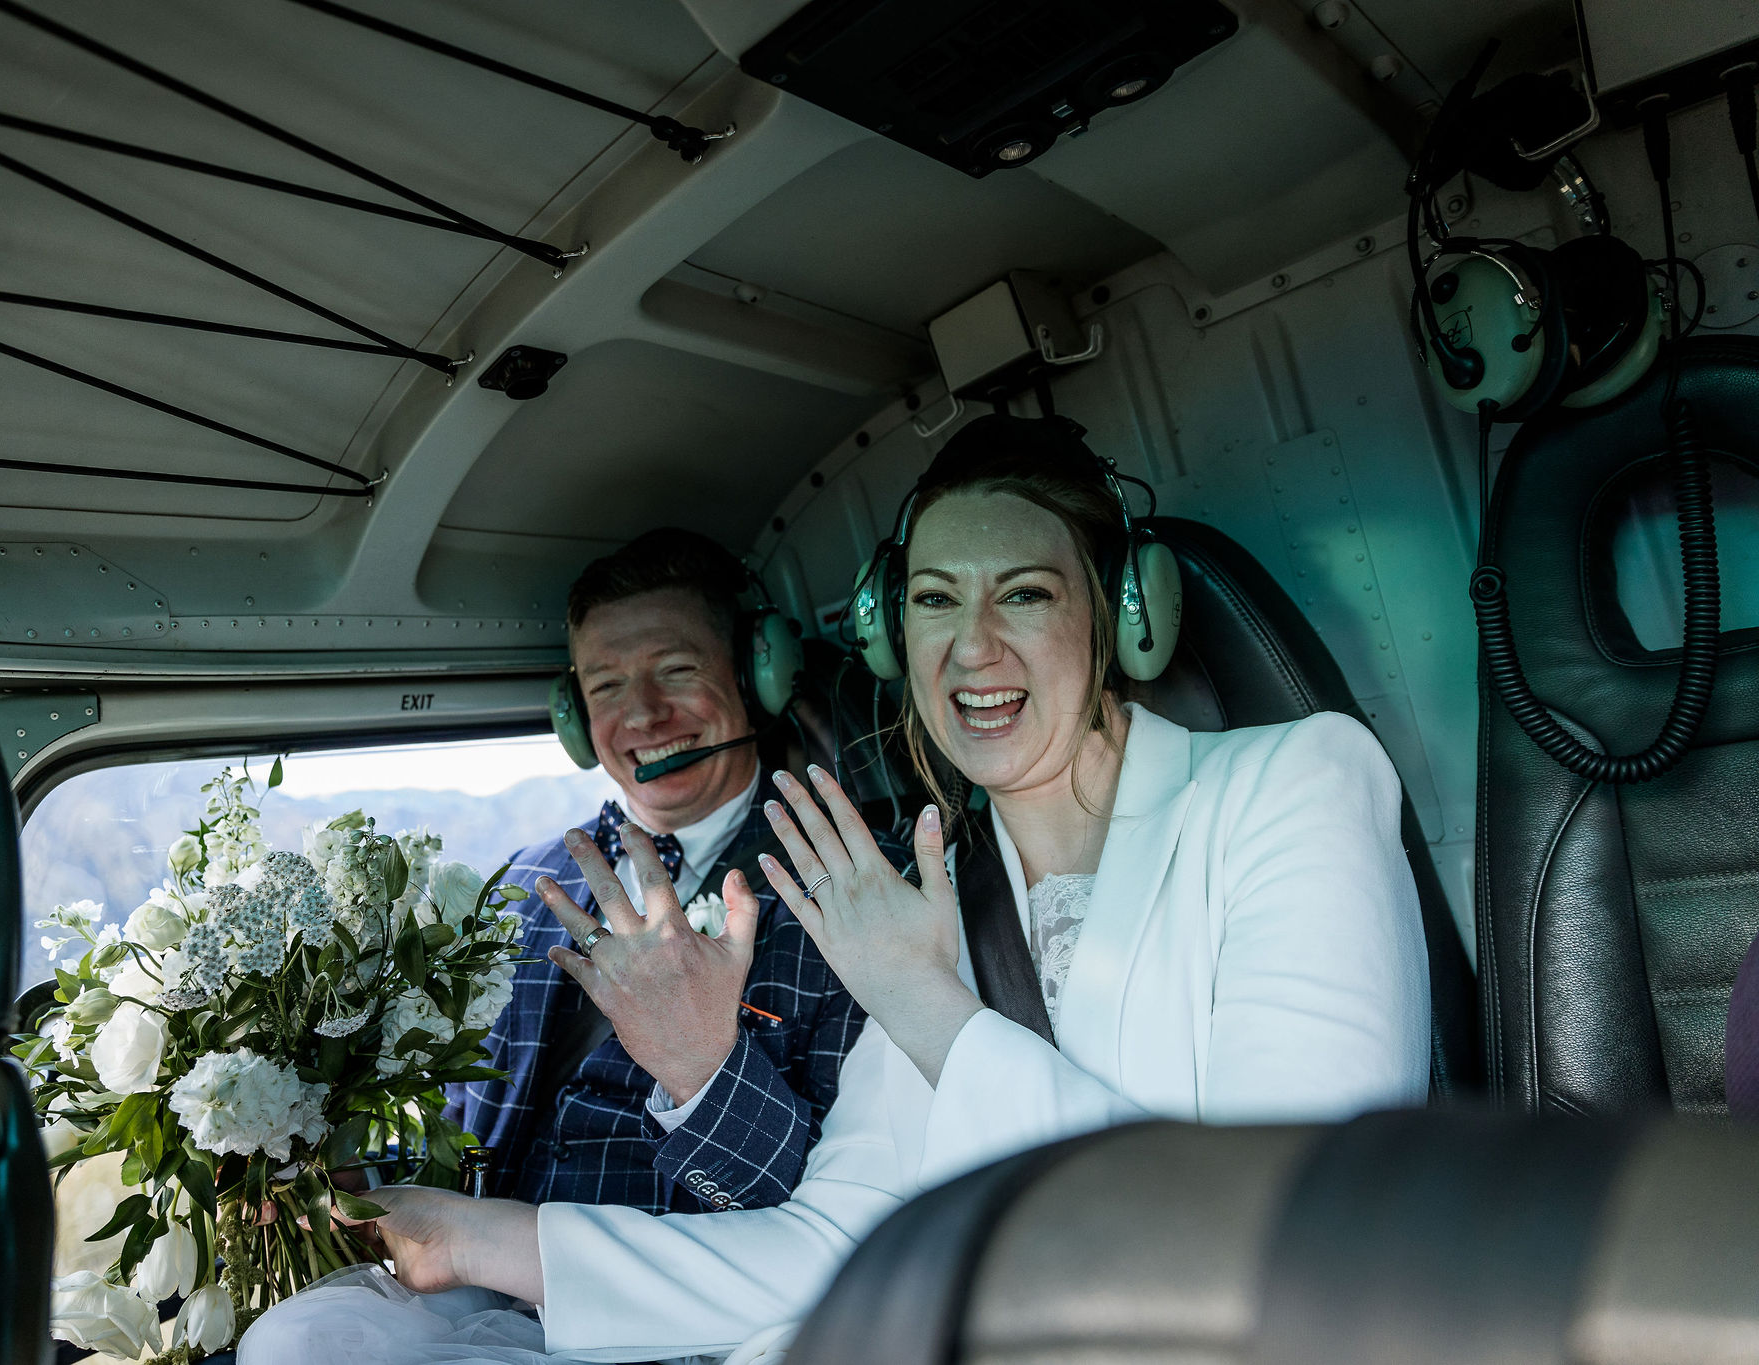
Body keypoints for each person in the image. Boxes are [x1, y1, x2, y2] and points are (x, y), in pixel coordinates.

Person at [243, 417, 1430, 1364]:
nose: (970, 649)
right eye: (931, 600)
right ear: (888, 635)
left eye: (1022, 593)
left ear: (1121, 613)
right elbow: (827, 1245)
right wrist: (481, 1240)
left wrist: (919, 999)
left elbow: (1284, 1238)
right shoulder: (926, 889)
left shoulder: (1290, 785)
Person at [441, 527, 910, 1219]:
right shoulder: (522, 880)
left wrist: (700, 1063)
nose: (643, 713)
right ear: (574, 715)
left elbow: (838, 1217)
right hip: (478, 1290)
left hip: (692, 1315)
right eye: (606, 685)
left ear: (755, 678)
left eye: (677, 669)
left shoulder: (860, 884)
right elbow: (457, 1117)